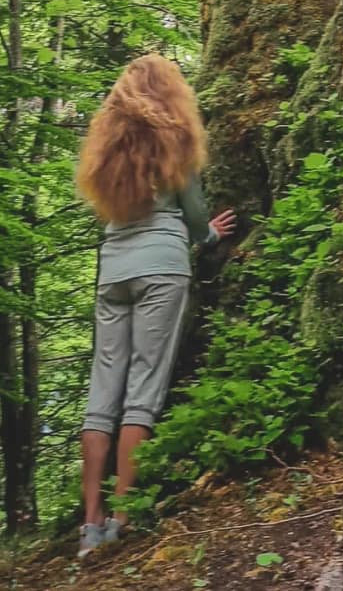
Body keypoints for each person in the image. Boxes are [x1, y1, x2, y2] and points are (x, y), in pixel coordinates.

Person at [75, 52, 235, 559]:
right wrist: (209, 236)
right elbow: (196, 218)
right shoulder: (175, 140)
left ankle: (89, 523)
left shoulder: (108, 150)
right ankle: (121, 517)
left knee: (103, 394)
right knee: (143, 389)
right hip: (162, 267)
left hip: (113, 270)